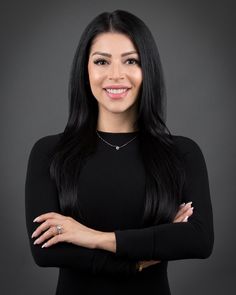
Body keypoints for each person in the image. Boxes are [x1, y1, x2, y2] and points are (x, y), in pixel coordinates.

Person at [25, 9, 214, 295]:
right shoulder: (49, 152)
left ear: (147, 69)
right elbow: (45, 252)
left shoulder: (182, 153)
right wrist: (141, 258)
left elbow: (198, 240)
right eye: (101, 61)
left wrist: (91, 237)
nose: (115, 75)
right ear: (84, 70)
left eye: (131, 61)